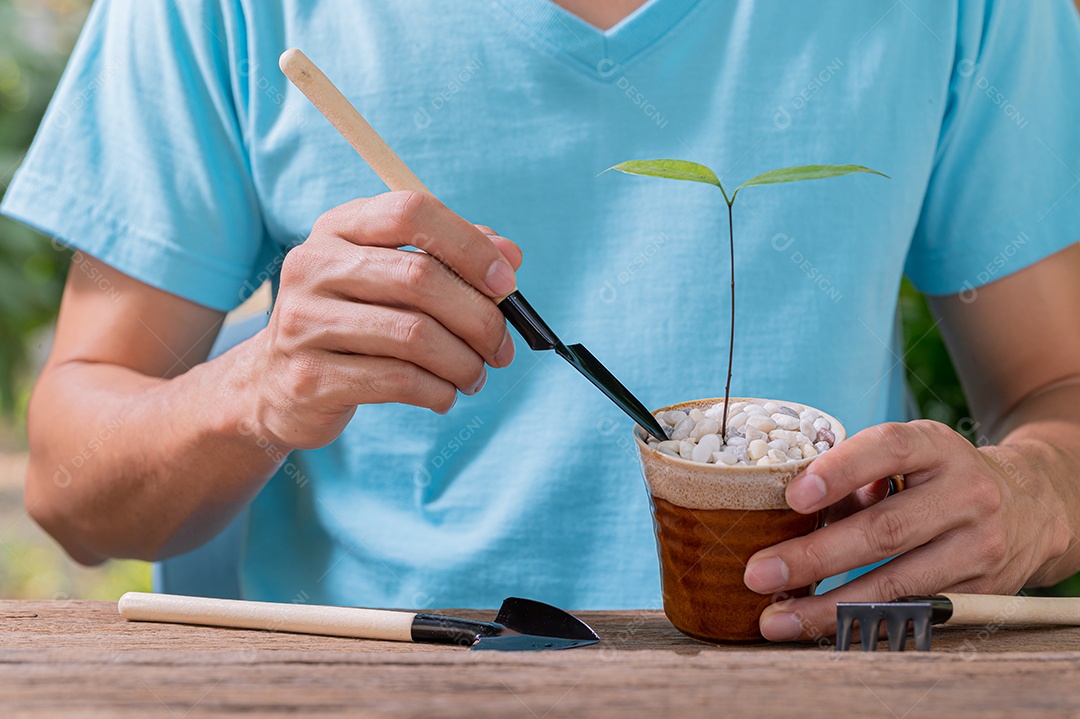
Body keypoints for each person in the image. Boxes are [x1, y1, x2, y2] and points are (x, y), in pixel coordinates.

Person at [3, 0, 1079, 642]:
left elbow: (1058, 393)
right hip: (370, 681)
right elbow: (71, 491)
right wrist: (255, 390)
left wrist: (1031, 490)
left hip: (829, 676)